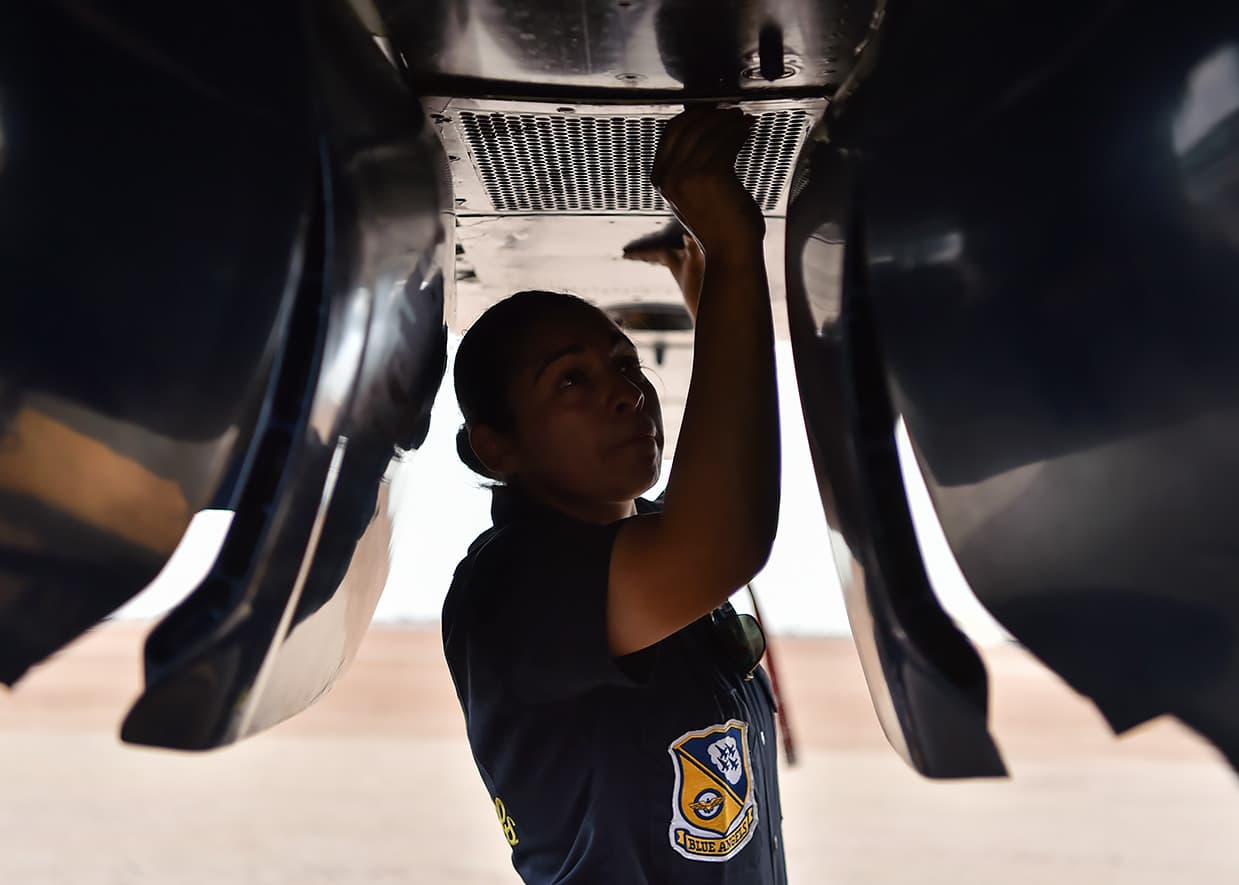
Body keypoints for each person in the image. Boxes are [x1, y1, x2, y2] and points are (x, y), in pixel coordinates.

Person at [442, 107, 784, 883]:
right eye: (571, 379)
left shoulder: (639, 541)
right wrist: (734, 249)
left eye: (624, 363)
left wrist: (712, 293)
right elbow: (720, 536)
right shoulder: (512, 588)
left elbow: (717, 485)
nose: (628, 393)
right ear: (498, 445)